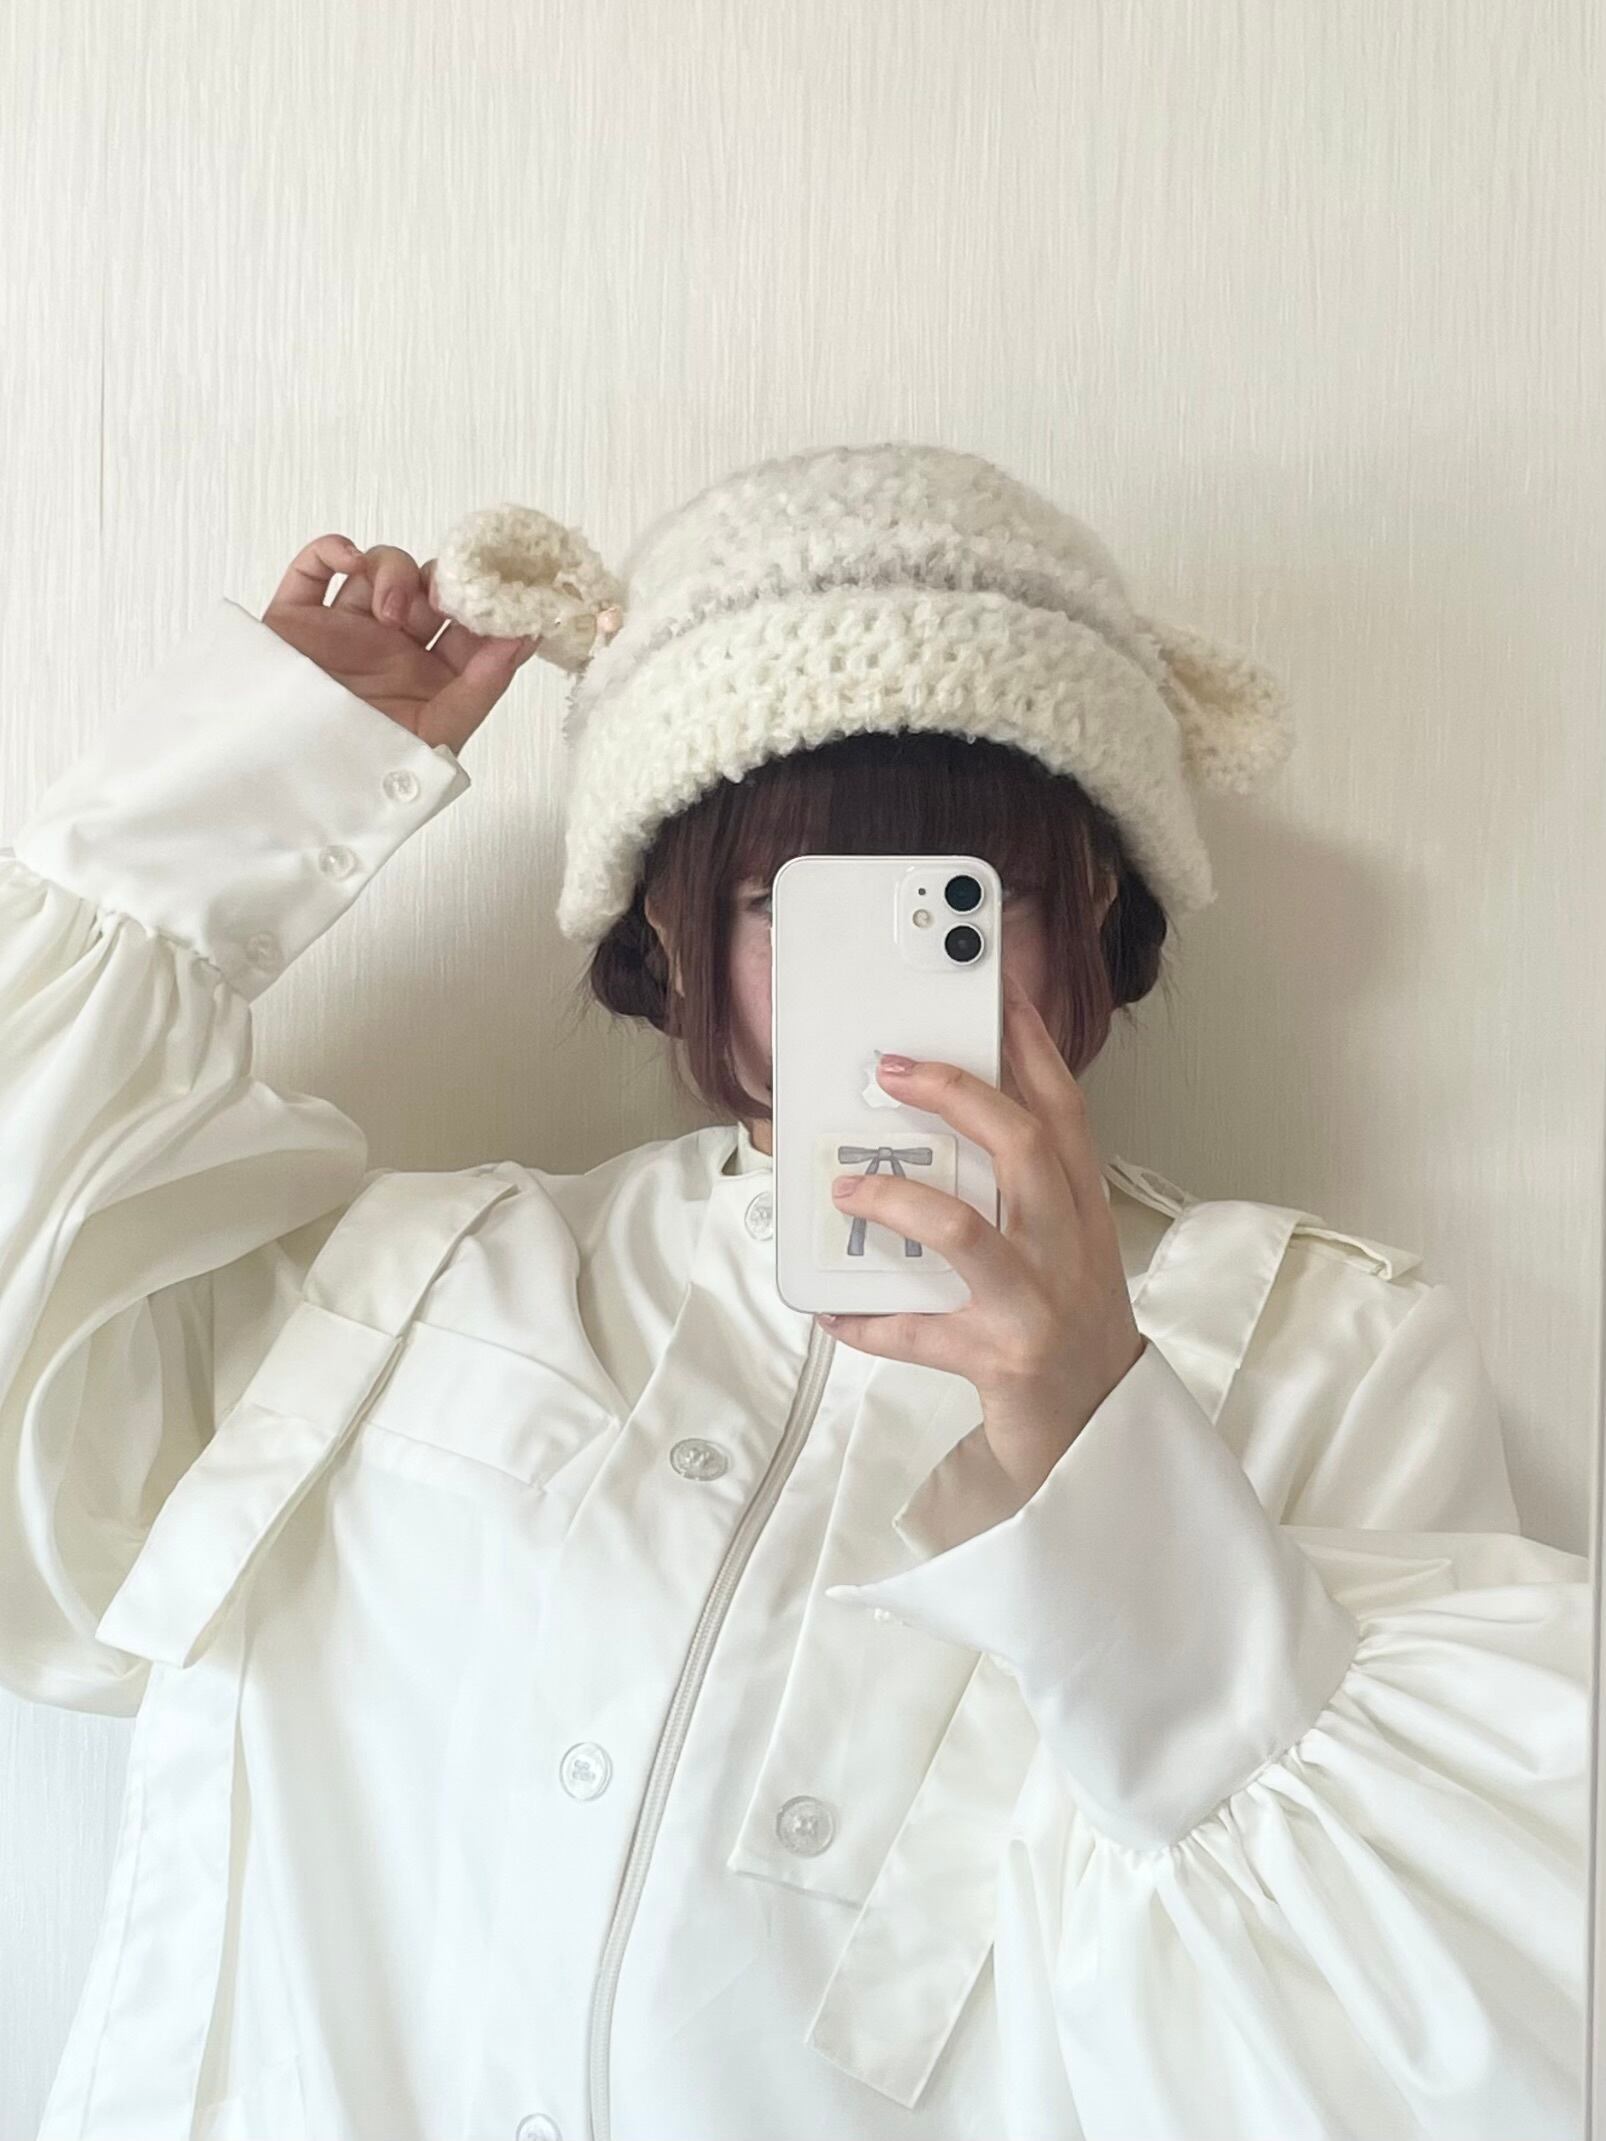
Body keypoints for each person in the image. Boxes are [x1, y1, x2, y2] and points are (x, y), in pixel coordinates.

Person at [0, 442, 1589, 2141]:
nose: (881, 985)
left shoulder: (1328, 1347)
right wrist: (249, 786)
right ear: (667, 925)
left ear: (1098, 905)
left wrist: (1103, 1446)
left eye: (970, 904)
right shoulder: (421, 1279)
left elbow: (1424, 2023)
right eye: (786, 904)